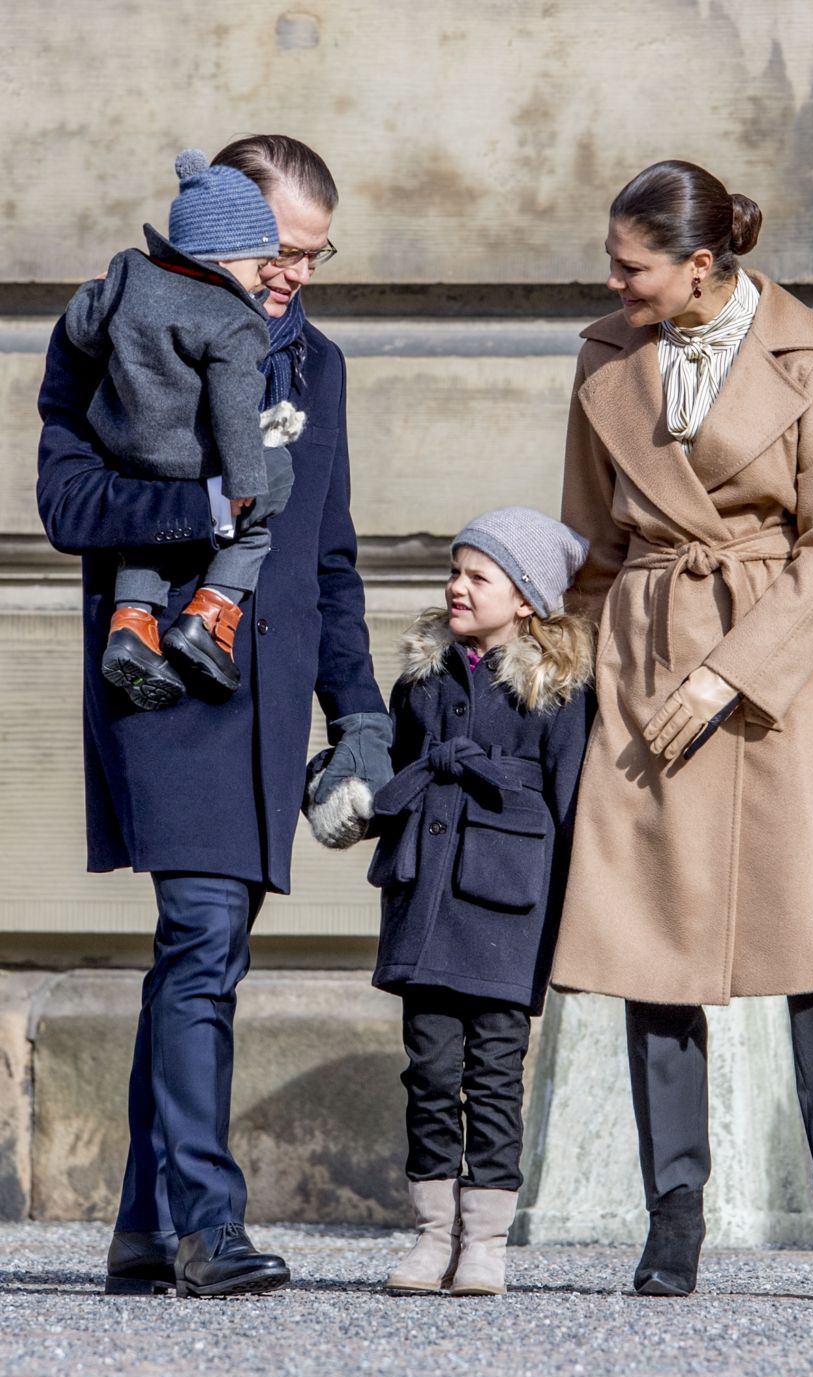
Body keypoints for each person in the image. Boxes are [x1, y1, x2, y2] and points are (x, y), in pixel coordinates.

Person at [36, 134, 392, 1299]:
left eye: (312, 254)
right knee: (198, 939)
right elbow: (67, 498)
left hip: (266, 690)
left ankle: (142, 1226)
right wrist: (203, 501)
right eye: (278, 249)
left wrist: (359, 714)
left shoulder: (319, 362)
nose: (293, 273)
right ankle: (209, 1225)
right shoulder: (105, 324)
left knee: (204, 952)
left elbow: (328, 557)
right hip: (163, 680)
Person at [551, 160, 813, 1296]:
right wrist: (560, 661)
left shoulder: (803, 352)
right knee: (654, 948)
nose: (612, 280)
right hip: (646, 653)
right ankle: (672, 1220)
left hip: (775, 673)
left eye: (631, 263)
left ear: (699, 263)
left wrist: (730, 674)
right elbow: (587, 539)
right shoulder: (605, 355)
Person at [316, 508, 595, 1296]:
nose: (456, 586)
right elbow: (393, 766)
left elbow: (574, 810)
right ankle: (432, 1236)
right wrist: (345, 790)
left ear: (528, 598)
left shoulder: (559, 694)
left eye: (479, 575)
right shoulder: (422, 678)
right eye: (455, 570)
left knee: (496, 1074)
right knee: (431, 1071)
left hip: (507, 910)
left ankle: (486, 1244)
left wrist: (574, 927)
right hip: (426, 898)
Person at [65, 148, 304, 709]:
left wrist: (93, 290)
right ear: (224, 261)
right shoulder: (233, 318)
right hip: (187, 458)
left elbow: (79, 330)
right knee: (270, 494)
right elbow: (231, 407)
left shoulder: (127, 272)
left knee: (144, 542)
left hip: (123, 450)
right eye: (256, 264)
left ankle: (132, 623)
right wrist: (245, 481)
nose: (263, 277)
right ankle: (210, 613)